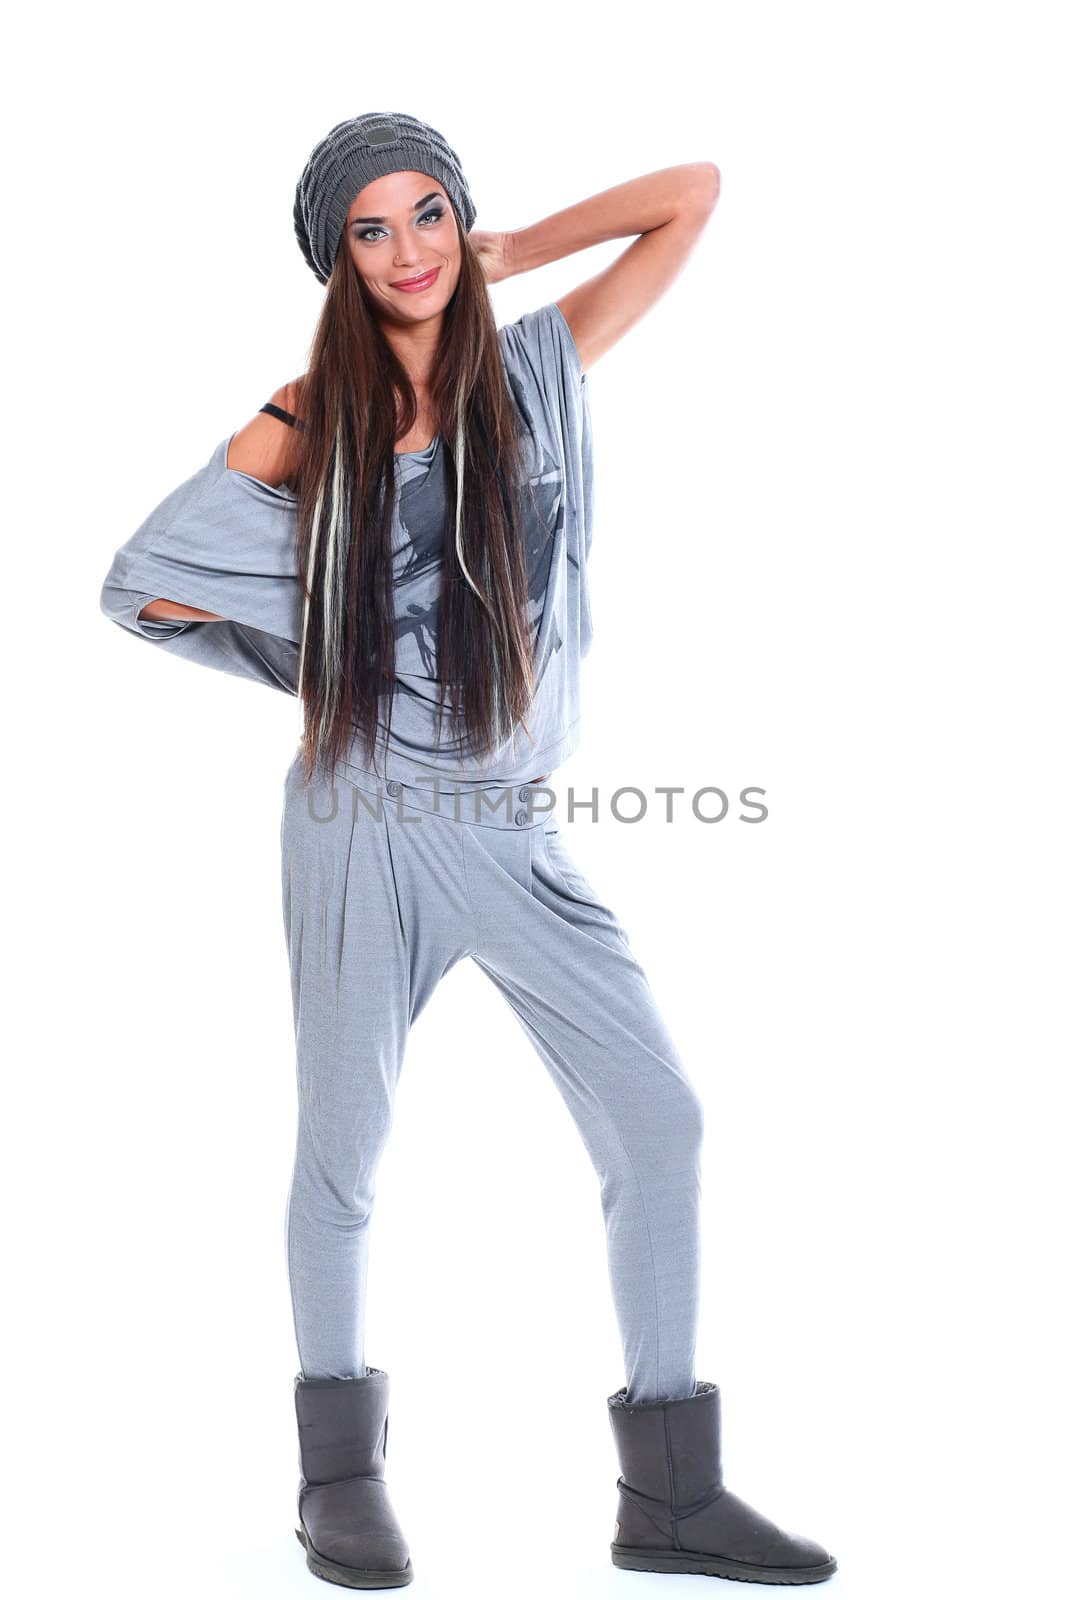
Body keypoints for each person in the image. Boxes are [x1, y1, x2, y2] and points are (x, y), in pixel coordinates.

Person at [98, 112, 836, 1590]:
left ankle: (671, 1496)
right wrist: (319, 658)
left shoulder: (539, 365)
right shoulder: (307, 418)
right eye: (372, 231)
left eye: (427, 213)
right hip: (363, 820)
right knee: (347, 1150)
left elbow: (689, 194)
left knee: (661, 1120)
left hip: (512, 819)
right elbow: (141, 589)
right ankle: (338, 1480)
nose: (410, 250)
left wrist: (519, 247)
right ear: (338, 261)